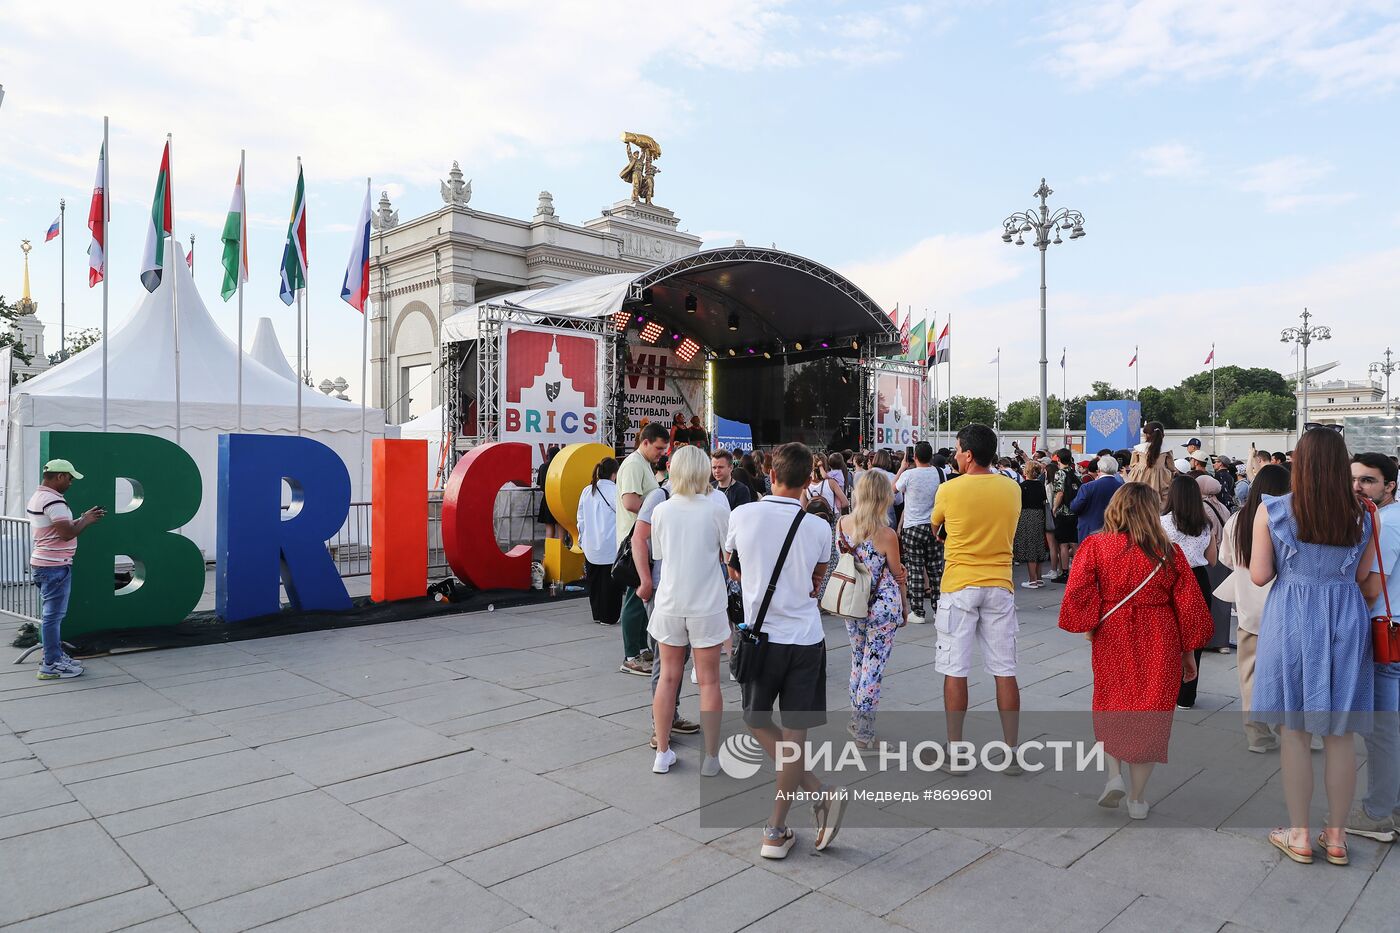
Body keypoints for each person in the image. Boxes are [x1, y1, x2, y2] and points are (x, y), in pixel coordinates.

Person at [1250, 428, 1381, 867]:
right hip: (1346, 615)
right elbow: (1364, 576)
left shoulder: (1274, 511)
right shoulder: (1364, 514)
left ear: (1299, 464)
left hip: (1292, 616)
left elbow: (1258, 575)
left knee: (1295, 731)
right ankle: (1338, 837)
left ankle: (1301, 835)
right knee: (1340, 733)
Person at [1058, 482, 1213, 820]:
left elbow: (1078, 591)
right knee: (1150, 711)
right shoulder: (1169, 552)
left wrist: (1090, 621)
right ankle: (1137, 798)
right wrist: (1189, 653)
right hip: (1159, 633)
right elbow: (1189, 606)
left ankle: (1113, 775)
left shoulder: (1096, 546)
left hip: (1113, 632)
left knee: (1110, 700)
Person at [725, 442, 846, 859]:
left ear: (770, 474)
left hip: (763, 639)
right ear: (808, 481)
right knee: (795, 737)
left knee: (755, 718)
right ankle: (807, 802)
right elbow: (818, 579)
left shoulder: (742, 514)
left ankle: (778, 828)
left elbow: (732, 563)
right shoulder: (817, 527)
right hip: (806, 640)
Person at [932, 423, 1023, 774]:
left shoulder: (950, 490)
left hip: (959, 585)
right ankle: (1011, 752)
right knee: (1005, 670)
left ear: (968, 455)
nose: (955, 455)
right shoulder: (1011, 488)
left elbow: (935, 527)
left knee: (955, 669)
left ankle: (955, 751)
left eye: (957, 449)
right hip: (1000, 584)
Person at [645, 446, 730, 776]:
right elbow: (728, 555)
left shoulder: (661, 511)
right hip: (706, 603)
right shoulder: (715, 509)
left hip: (669, 601)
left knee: (667, 678)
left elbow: (661, 555)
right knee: (708, 682)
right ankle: (711, 757)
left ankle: (662, 751)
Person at [1214, 465, 1290, 753]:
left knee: (1249, 674)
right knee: (1288, 674)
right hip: (1283, 608)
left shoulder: (1237, 520)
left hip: (1249, 608)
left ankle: (1257, 736)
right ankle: (1294, 730)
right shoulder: (1287, 518)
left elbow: (1227, 559)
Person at [1346, 452, 1400, 843]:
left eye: (1368, 480)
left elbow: (1371, 589)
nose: (1357, 487)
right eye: (1353, 479)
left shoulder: (1385, 524)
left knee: (1382, 730)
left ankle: (1377, 813)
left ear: (1389, 486)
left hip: (1386, 633)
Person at [837, 470, 907, 750]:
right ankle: (864, 732)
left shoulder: (841, 524)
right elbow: (896, 572)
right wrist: (905, 603)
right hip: (882, 604)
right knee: (873, 668)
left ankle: (857, 719)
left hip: (852, 602)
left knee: (858, 660)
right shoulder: (886, 534)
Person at [28, 459, 104, 680]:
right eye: (70, 478)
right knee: (53, 617)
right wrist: (86, 520)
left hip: (45, 563)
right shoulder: (54, 501)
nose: (71, 483)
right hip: (54, 566)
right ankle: (50, 664)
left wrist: (80, 518)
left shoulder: (39, 496)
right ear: (60, 476)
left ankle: (54, 656)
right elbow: (66, 534)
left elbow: (57, 529)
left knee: (51, 616)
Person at [615, 423, 669, 676]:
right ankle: (630, 656)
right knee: (636, 598)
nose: (661, 453)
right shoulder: (634, 465)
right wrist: (657, 511)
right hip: (635, 542)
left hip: (644, 540)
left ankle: (640, 648)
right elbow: (630, 502)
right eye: (658, 448)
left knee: (641, 597)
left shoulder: (642, 464)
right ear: (645, 442)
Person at [1160, 476, 1217, 710]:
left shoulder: (1161, 523)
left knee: (1168, 637)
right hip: (1199, 580)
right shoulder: (1204, 525)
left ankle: (1167, 690)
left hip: (1170, 581)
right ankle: (1187, 695)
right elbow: (1212, 560)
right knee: (1195, 638)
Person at [895, 441, 943, 625]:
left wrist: (902, 468)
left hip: (913, 526)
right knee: (935, 570)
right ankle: (939, 609)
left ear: (914, 456)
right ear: (931, 456)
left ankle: (918, 611)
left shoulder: (908, 474)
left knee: (915, 570)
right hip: (934, 525)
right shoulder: (940, 473)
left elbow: (892, 491)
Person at [576, 458, 621, 626]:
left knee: (594, 581)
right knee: (610, 582)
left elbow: (580, 517)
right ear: (614, 473)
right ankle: (609, 616)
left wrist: (582, 537)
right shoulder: (616, 491)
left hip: (590, 543)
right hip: (610, 543)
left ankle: (597, 613)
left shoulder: (587, 491)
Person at [1014, 461, 1052, 589]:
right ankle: (1039, 578)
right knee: (1038, 545)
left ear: (1026, 471)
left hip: (1026, 516)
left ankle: (1032, 580)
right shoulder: (1041, 485)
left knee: (1030, 548)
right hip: (1039, 515)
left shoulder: (1022, 486)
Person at [1070, 455, 1124, 538]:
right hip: (1114, 529)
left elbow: (1075, 507)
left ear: (1099, 469)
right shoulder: (1122, 488)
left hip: (1089, 529)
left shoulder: (1088, 487)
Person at [1127, 421, 1175, 509]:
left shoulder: (1138, 449)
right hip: (1160, 481)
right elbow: (1171, 467)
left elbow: (1132, 465)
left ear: (1147, 435)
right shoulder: (1166, 449)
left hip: (1140, 479)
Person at [1050, 450, 1081, 584]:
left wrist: (1055, 508)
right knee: (1074, 542)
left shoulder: (1059, 473)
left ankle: (1065, 572)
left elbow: (1060, 493)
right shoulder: (1076, 472)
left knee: (1063, 544)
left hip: (1063, 512)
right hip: (1075, 511)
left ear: (1058, 459)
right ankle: (1078, 571)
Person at [536, 445, 562, 539]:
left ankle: (548, 551)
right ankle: (561, 551)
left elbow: (539, 483)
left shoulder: (543, 467)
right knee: (561, 525)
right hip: (559, 499)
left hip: (547, 499)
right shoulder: (561, 467)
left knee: (549, 527)